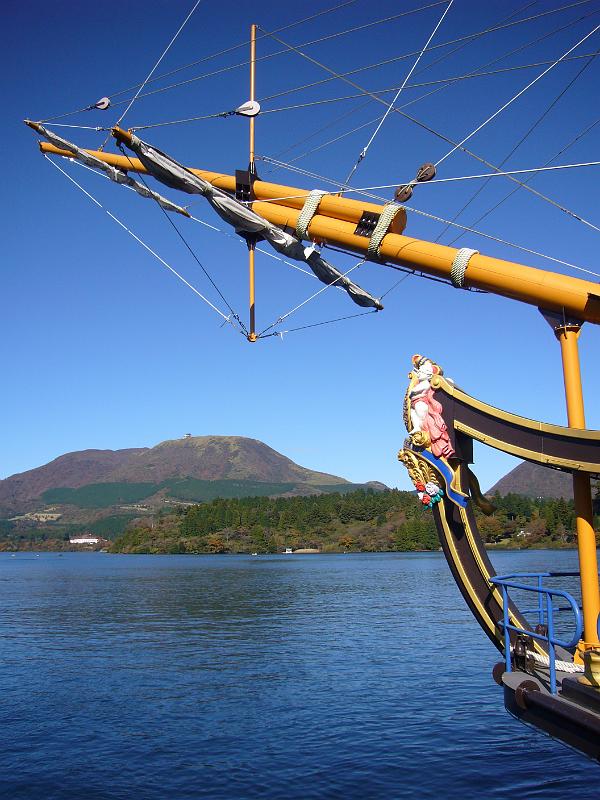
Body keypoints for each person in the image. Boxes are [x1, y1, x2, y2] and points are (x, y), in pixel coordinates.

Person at [408, 355, 454, 459]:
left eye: (422, 372)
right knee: (414, 415)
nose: (419, 373)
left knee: (419, 414)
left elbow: (413, 392)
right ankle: (416, 427)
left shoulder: (426, 384)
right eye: (419, 371)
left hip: (421, 403)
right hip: (415, 404)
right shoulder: (421, 383)